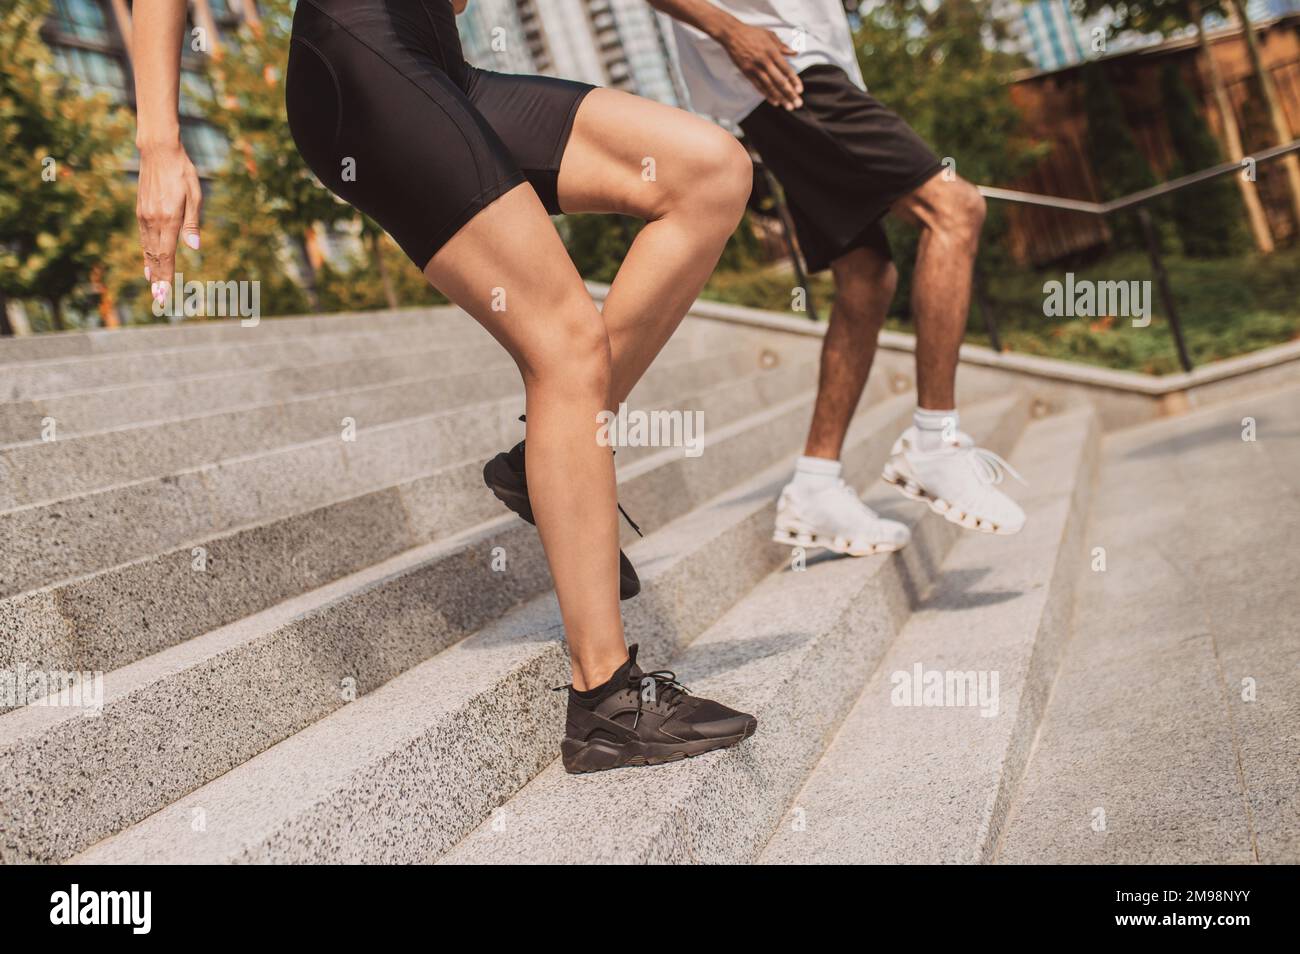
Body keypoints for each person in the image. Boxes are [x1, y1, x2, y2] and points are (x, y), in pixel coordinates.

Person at [131, 0, 756, 773]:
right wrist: (160, 143)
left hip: (441, 62)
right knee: (565, 343)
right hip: (364, 59)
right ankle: (605, 700)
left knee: (710, 172)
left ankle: (544, 462)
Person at [649, 0, 1026, 552]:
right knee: (954, 208)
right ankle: (934, 443)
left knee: (866, 276)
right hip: (784, 69)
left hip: (802, 68)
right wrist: (728, 29)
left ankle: (815, 486)